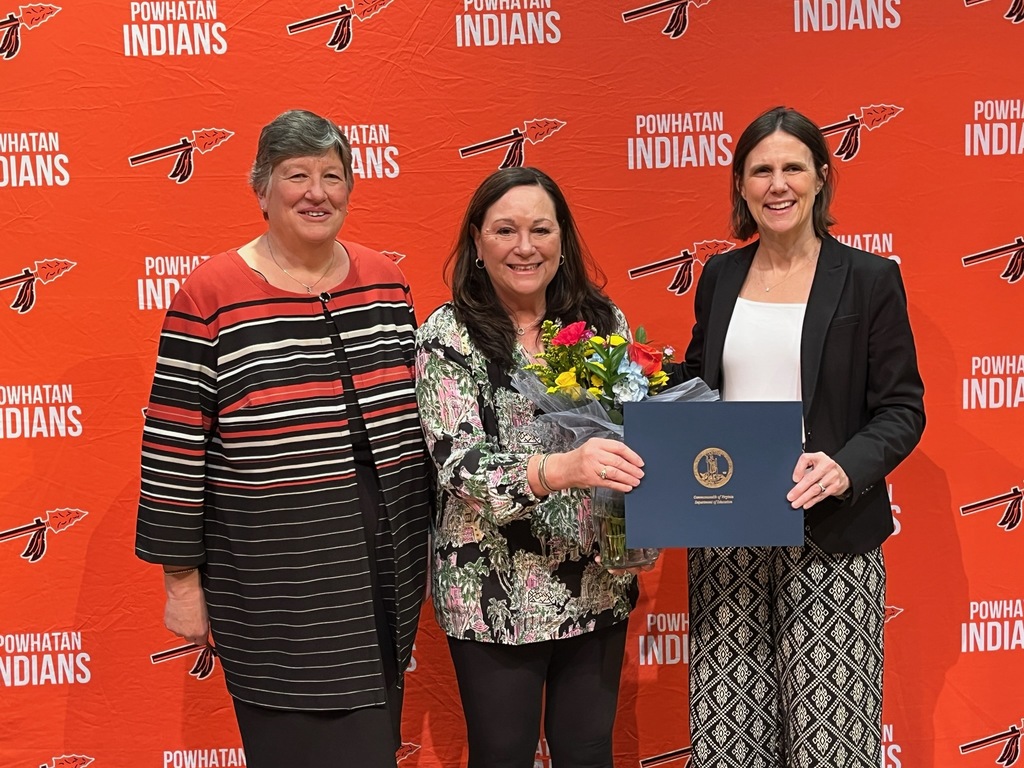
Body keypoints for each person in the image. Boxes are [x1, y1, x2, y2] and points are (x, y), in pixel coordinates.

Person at [135, 109, 432, 768]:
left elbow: (424, 409)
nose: (316, 192)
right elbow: (174, 440)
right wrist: (181, 582)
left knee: (375, 741)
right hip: (273, 582)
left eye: (332, 175)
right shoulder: (210, 292)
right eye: (296, 175)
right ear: (262, 189)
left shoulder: (386, 279)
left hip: (383, 567)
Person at [680, 106, 925, 768]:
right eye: (761, 170)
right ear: (740, 185)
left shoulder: (870, 279)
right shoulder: (721, 278)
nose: (777, 184)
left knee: (831, 746)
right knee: (729, 743)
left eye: (792, 167)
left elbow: (903, 408)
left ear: (821, 178)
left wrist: (846, 468)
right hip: (726, 536)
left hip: (832, 540)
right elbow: (698, 388)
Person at [414, 166, 648, 768]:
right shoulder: (448, 334)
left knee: (590, 750)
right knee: (501, 753)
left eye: (541, 229)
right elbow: (461, 463)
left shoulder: (600, 323)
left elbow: (636, 436)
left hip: (597, 577)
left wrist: (650, 521)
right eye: (505, 230)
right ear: (477, 240)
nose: (525, 247)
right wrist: (563, 469)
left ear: (562, 239)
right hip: (493, 587)